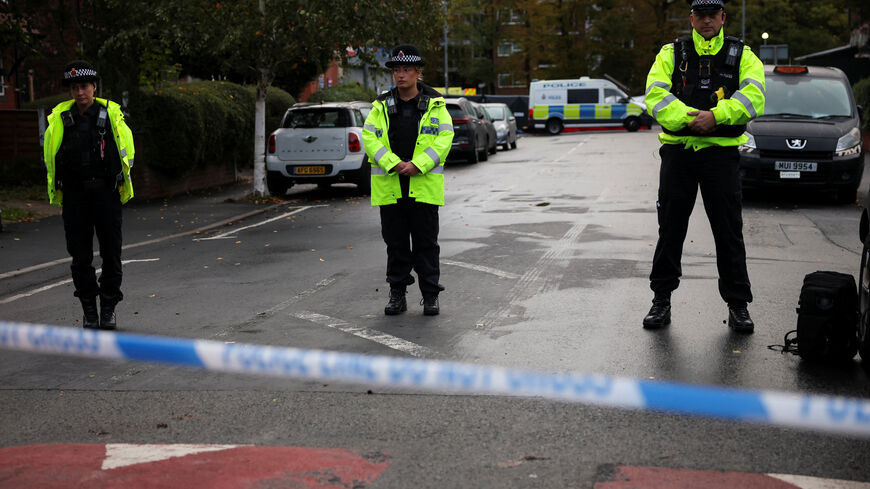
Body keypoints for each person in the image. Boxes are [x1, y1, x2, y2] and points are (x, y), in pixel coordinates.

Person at [642, 0, 765, 333]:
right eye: (701, 15)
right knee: (670, 229)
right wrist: (689, 119)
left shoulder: (743, 55)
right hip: (679, 153)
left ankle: (738, 305)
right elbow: (654, 95)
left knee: (728, 232)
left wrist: (717, 117)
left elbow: (754, 95)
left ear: (723, 18)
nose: (707, 20)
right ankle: (661, 300)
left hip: (720, 156)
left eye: (714, 15)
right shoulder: (672, 52)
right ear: (692, 18)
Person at [362, 45, 454, 316]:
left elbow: (444, 140)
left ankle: (430, 296)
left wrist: (417, 165)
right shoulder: (381, 105)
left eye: (406, 70)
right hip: (391, 187)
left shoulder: (435, 105)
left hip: (422, 187)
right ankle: (397, 295)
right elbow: (370, 138)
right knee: (396, 245)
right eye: (396, 70)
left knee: (426, 244)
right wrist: (393, 164)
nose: (400, 75)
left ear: (418, 72)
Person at [44, 60, 135, 330]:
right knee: (80, 257)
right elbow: (51, 157)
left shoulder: (112, 117)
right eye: (74, 87)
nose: (80, 92)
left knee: (111, 253)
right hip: (75, 196)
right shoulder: (60, 119)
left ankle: (108, 308)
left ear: (94, 86)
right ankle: (89, 311)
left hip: (106, 194)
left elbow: (127, 153)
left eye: (84, 86)